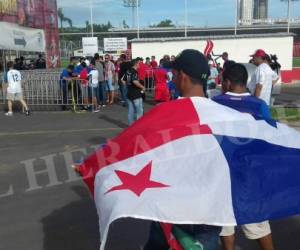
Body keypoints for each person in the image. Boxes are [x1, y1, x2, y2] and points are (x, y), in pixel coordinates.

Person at [212, 63, 274, 250]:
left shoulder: (215, 103)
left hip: (223, 174)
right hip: (250, 174)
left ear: (228, 82)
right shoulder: (259, 105)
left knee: (225, 225)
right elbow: (269, 137)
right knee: (259, 226)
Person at [167, 49, 221, 249]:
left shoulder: (166, 115)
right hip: (211, 206)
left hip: (174, 206)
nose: (172, 80)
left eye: (173, 75)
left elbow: (136, 151)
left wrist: (95, 165)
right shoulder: (225, 115)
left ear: (183, 76)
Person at [122, 59, 145, 125]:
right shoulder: (134, 72)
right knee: (139, 111)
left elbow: (122, 80)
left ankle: (130, 126)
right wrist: (142, 87)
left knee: (131, 111)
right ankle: (139, 126)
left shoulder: (128, 71)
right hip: (136, 94)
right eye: (139, 63)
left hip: (130, 93)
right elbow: (135, 81)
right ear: (136, 64)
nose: (139, 65)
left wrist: (128, 86)